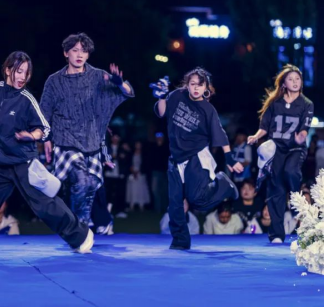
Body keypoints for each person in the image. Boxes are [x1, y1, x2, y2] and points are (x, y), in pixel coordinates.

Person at [0, 51, 92, 264]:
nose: (23, 77)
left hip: (23, 162)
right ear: (7, 70)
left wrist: (31, 135)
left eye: (26, 73)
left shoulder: (27, 99)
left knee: (45, 205)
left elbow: (45, 128)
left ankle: (81, 236)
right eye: (19, 71)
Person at [40, 33, 135, 226]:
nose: (79, 55)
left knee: (90, 186)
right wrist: (46, 139)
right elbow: (44, 112)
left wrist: (119, 83)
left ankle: (79, 226)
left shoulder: (98, 76)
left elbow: (128, 92)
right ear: (66, 53)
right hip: (65, 141)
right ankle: (79, 226)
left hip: (92, 142)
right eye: (75, 50)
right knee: (82, 181)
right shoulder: (54, 81)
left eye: (84, 51)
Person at [152, 69, 244, 250]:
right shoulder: (176, 96)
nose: (196, 88)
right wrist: (162, 96)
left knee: (196, 200)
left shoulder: (207, 109)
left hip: (196, 156)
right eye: (192, 84)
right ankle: (180, 240)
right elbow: (162, 112)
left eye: (200, 85)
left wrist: (230, 159)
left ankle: (223, 185)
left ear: (205, 87)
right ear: (187, 84)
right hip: (176, 158)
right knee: (175, 203)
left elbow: (220, 134)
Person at [249, 65, 314, 244]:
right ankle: (277, 234)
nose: (295, 82)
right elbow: (264, 127)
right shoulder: (274, 103)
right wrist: (256, 136)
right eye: (291, 79)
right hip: (276, 149)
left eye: (298, 79)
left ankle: (295, 200)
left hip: (295, 149)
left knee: (290, 171)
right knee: (275, 188)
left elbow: (304, 129)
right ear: (284, 83)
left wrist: (301, 137)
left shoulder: (307, 104)